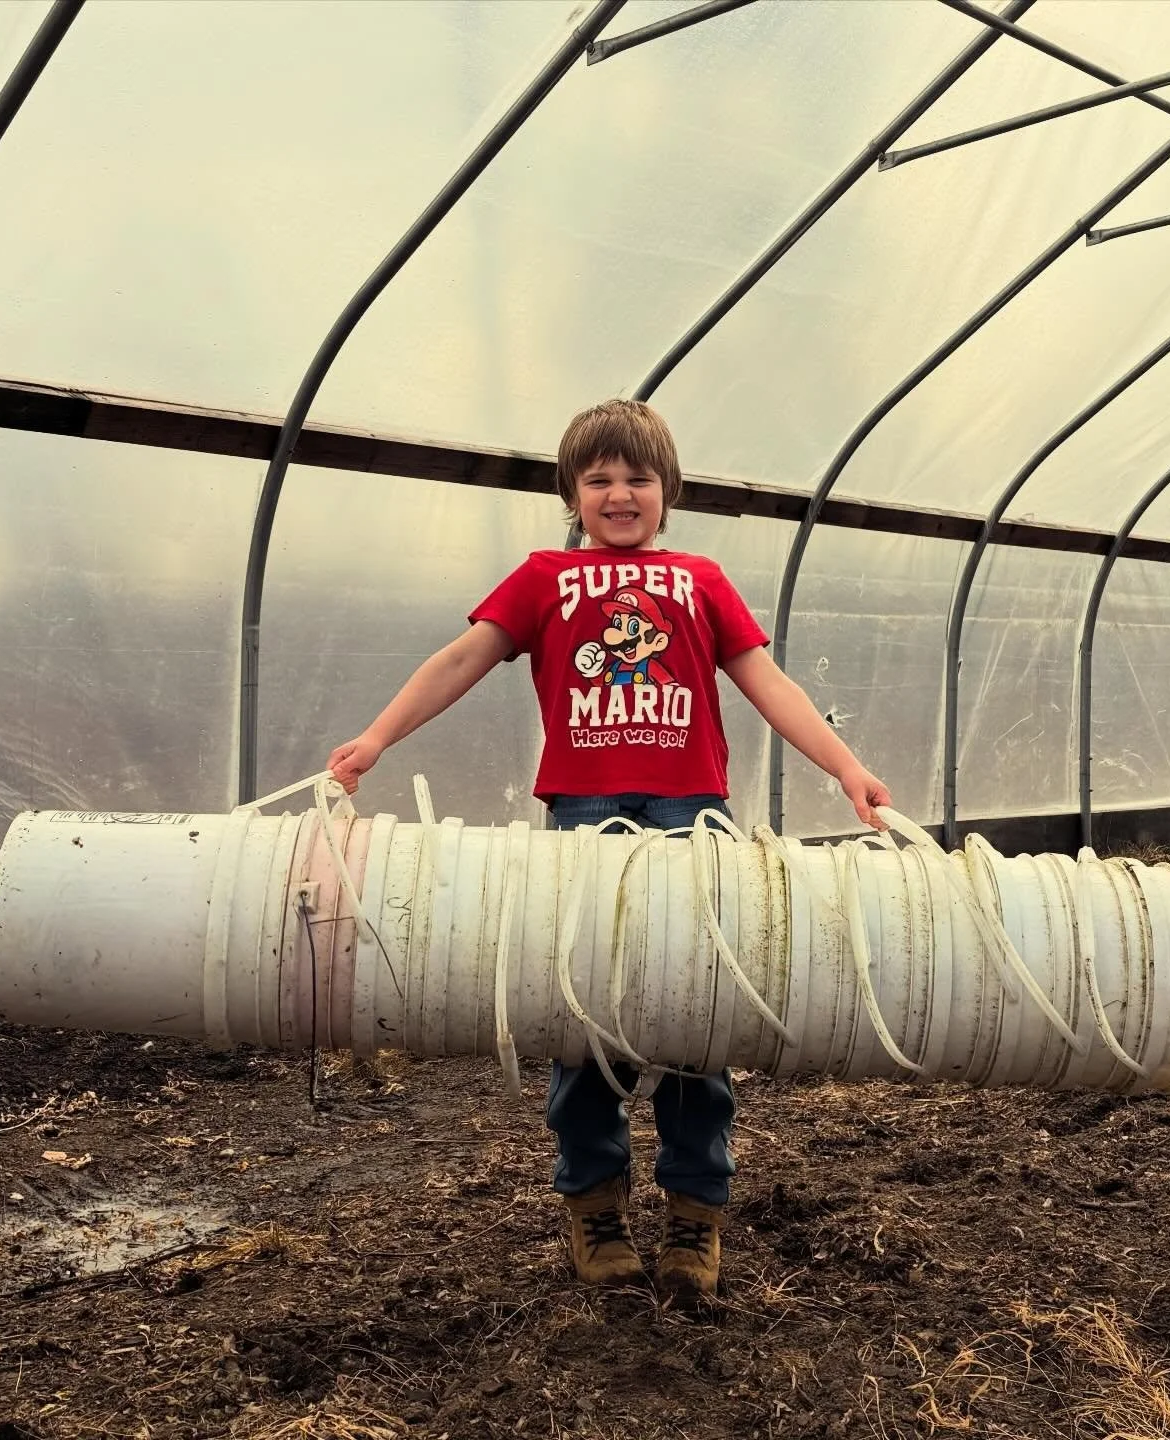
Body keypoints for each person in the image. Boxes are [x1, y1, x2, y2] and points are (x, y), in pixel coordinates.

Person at [328, 399, 891, 1298]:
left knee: (700, 1013)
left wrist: (847, 770)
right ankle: (593, 1205)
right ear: (572, 494)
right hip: (584, 816)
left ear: (667, 492)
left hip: (692, 816)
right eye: (600, 481)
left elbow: (766, 683)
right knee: (583, 1013)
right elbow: (461, 660)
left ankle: (694, 1215)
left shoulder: (701, 580)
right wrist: (376, 740)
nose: (621, 494)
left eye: (639, 479)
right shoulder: (544, 579)